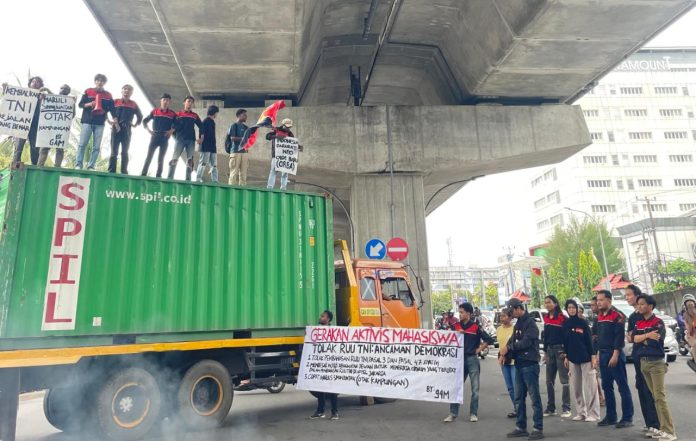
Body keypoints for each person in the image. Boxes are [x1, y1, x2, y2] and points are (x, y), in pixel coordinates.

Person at [633, 295, 677, 441]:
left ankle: (669, 431)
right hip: (643, 362)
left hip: (656, 363)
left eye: (642, 304)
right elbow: (634, 339)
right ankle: (661, 428)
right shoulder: (638, 322)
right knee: (654, 397)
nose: (639, 306)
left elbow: (655, 341)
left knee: (660, 397)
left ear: (650, 306)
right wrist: (646, 336)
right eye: (638, 304)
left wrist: (642, 339)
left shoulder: (658, 322)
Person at [501, 298, 544, 440]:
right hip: (519, 364)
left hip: (530, 364)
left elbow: (525, 342)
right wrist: (505, 352)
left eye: (512, 311)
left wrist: (509, 348)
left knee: (534, 397)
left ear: (519, 308)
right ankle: (521, 427)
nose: (511, 314)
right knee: (519, 398)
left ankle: (538, 428)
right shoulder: (518, 323)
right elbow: (512, 340)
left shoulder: (530, 323)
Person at [443, 302, 493, 423]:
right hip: (459, 360)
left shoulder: (476, 326)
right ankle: (453, 413)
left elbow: (489, 339)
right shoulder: (456, 326)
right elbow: (446, 339)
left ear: (468, 313)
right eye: (459, 312)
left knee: (475, 388)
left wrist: (479, 350)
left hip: (472, 359)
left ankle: (473, 413)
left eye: (462, 312)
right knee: (456, 387)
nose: (460, 315)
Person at [593, 290, 633, 429]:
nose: (598, 302)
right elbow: (598, 337)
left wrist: (615, 354)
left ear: (609, 301)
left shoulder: (617, 316)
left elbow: (618, 337)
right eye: (597, 300)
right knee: (607, 387)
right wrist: (597, 354)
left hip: (614, 353)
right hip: (602, 354)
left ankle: (627, 417)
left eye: (601, 300)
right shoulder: (598, 316)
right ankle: (611, 416)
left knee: (622, 386)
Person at [624, 284, 660, 436]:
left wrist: (640, 338)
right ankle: (648, 423)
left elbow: (655, 338)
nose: (627, 298)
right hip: (638, 356)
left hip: (651, 358)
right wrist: (641, 337)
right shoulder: (632, 317)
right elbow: (630, 338)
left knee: (652, 391)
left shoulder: (648, 316)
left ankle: (656, 425)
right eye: (625, 296)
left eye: (629, 295)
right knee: (641, 388)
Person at [562, 299, 600, 422]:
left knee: (591, 387)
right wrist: (567, 356)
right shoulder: (566, 324)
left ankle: (593, 414)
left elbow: (589, 341)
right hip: (573, 359)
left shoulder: (582, 323)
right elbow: (565, 342)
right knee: (577, 387)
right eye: (569, 308)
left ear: (577, 309)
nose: (572, 310)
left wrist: (593, 356)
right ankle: (581, 412)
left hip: (586, 358)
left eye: (574, 307)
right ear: (567, 309)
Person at [76, 73, 114, 170]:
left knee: (96, 146)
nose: (100, 82)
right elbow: (80, 105)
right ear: (95, 81)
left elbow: (112, 109)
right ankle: (78, 164)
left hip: (100, 123)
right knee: (82, 144)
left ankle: (91, 165)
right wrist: (90, 104)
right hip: (87, 121)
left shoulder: (108, 95)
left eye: (102, 81)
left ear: (104, 83)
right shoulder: (88, 91)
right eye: (98, 80)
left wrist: (113, 119)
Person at [542, 295, 571, 418]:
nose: (547, 304)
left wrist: (566, 353)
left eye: (549, 302)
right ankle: (550, 408)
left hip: (560, 350)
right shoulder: (546, 318)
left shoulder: (562, 318)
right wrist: (545, 352)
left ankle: (566, 407)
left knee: (564, 380)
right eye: (545, 303)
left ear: (555, 303)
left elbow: (567, 337)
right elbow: (545, 337)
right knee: (549, 381)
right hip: (549, 350)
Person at [10, 76, 47, 165]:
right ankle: (15, 164)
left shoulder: (42, 96)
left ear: (40, 85)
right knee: (18, 147)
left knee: (34, 147)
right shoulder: (23, 94)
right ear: (30, 84)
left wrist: (43, 98)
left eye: (37, 82)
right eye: (33, 81)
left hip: (35, 124)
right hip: (23, 123)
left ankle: (34, 166)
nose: (35, 83)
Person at [310, 310, 339, 420]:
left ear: (328, 319)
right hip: (320, 364)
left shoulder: (333, 331)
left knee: (332, 389)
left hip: (330, 364)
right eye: (321, 316)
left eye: (323, 316)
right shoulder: (316, 330)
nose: (320, 317)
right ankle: (320, 411)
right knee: (319, 387)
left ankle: (335, 412)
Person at [108, 84, 142, 174]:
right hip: (116, 128)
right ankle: (111, 171)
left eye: (129, 90)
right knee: (114, 151)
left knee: (125, 152)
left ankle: (124, 171)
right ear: (121, 91)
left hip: (127, 130)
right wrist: (108, 120)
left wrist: (135, 124)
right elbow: (106, 110)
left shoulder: (133, 104)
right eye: (125, 89)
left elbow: (140, 116)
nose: (127, 91)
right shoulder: (115, 102)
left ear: (131, 92)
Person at [37, 84, 74, 168]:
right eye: (62, 88)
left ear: (68, 92)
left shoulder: (70, 101)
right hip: (48, 127)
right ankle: (39, 166)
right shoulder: (51, 98)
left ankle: (57, 167)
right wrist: (46, 91)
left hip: (61, 129)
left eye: (65, 89)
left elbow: (72, 115)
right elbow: (51, 100)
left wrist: (73, 104)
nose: (63, 90)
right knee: (44, 148)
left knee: (60, 149)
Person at [142, 94, 177, 177]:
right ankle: (143, 174)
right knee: (149, 156)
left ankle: (158, 176)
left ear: (169, 102)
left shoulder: (172, 114)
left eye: (167, 100)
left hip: (164, 137)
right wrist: (148, 130)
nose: (165, 101)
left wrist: (171, 131)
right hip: (155, 136)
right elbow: (144, 121)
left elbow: (178, 124)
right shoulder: (155, 111)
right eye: (164, 99)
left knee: (161, 158)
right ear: (160, 101)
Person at [168, 96, 202, 180]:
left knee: (190, 160)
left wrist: (201, 137)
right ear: (184, 103)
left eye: (191, 102)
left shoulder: (194, 115)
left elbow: (201, 126)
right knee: (175, 158)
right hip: (180, 140)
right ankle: (169, 177)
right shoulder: (178, 114)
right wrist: (175, 136)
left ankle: (188, 179)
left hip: (191, 140)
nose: (190, 103)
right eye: (188, 101)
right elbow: (173, 126)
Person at [266, 118, 302, 190]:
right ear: (283, 125)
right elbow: (267, 137)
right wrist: (276, 136)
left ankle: (283, 188)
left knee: (285, 173)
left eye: (289, 127)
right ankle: (269, 188)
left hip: (286, 157)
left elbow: (292, 144)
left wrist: (299, 146)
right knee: (273, 171)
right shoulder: (276, 130)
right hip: (276, 155)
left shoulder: (290, 134)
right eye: (287, 127)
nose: (288, 128)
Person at [497, 308, 518, 418]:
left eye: (504, 316)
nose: (502, 318)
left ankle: (520, 408)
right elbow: (500, 345)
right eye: (501, 316)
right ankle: (516, 408)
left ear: (510, 317)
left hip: (514, 360)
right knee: (509, 387)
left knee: (516, 386)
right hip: (504, 360)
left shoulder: (515, 329)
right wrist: (501, 356)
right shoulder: (499, 329)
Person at [196, 105, 219, 183]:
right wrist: (201, 141)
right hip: (206, 146)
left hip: (212, 147)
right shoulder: (205, 121)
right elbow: (201, 132)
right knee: (203, 163)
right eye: (217, 113)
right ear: (214, 113)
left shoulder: (212, 122)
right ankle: (198, 179)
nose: (217, 115)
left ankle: (215, 181)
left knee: (214, 165)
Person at [590, 296, 606, 406]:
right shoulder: (596, 319)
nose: (591, 307)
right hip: (596, 351)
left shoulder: (602, 319)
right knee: (597, 376)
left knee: (602, 377)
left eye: (593, 305)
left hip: (602, 351)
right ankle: (601, 396)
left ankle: (603, 397)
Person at [227, 109, 249, 185]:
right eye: (244, 115)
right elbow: (232, 138)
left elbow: (249, 138)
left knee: (243, 174)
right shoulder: (234, 125)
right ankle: (231, 191)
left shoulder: (246, 127)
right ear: (239, 116)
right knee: (233, 173)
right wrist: (243, 138)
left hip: (245, 152)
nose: (246, 116)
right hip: (235, 152)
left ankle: (242, 192)